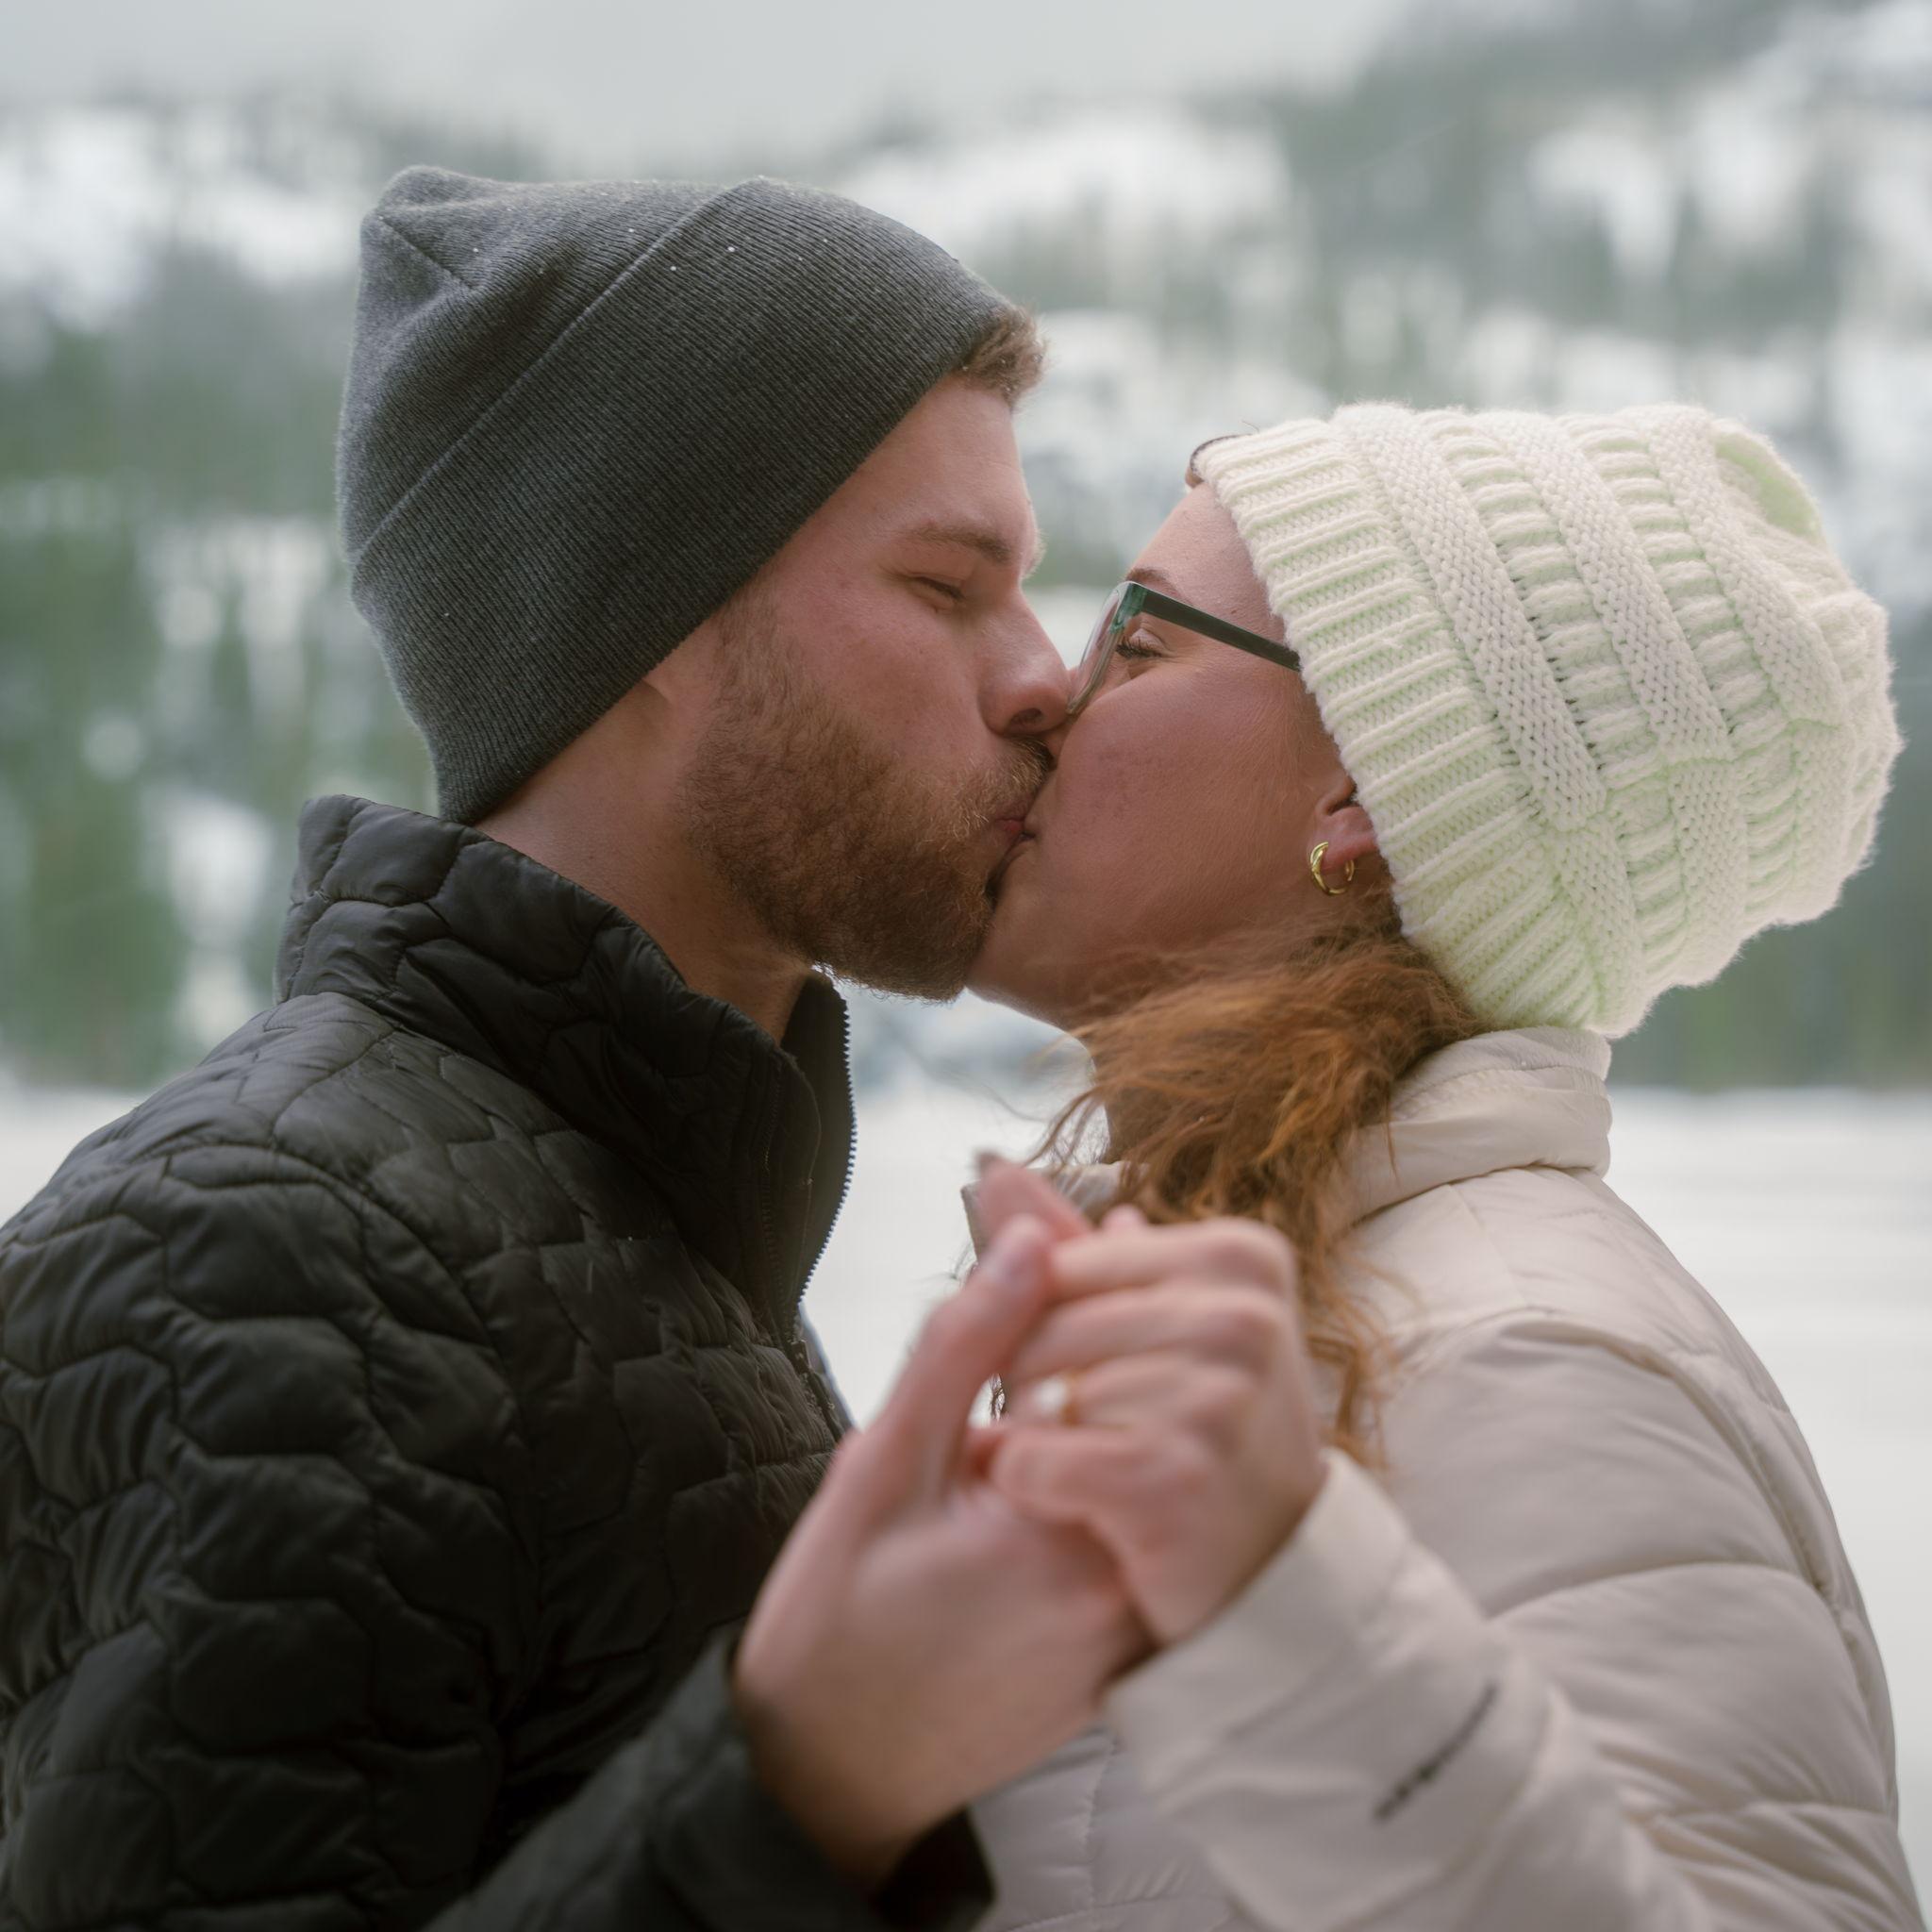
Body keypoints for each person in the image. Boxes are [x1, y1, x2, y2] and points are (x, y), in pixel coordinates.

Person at [0, 166, 1147, 1931]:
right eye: (945, 588)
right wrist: (803, 1776)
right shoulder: (269, 1256)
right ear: (657, 622)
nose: (1042, 677)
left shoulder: (635, 1207)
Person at [944, 401, 1922, 1928]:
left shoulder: (1517, 1353)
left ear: (1361, 802)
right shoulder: (1280, 1287)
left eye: (1138, 642)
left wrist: (1300, 1628)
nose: (1044, 697)